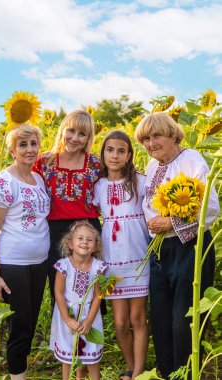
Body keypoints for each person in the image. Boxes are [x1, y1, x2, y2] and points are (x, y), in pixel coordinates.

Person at [134, 112, 220, 379]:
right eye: (145, 139)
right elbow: (149, 206)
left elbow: (211, 208)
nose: (150, 144)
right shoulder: (151, 166)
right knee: (159, 316)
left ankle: (186, 374)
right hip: (160, 250)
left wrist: (171, 223)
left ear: (172, 134)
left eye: (156, 136)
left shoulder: (191, 159)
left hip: (189, 247)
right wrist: (157, 225)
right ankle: (167, 372)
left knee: (183, 318)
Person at [0, 124, 50, 380]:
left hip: (39, 263)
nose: (30, 149)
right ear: (12, 150)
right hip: (14, 264)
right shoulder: (4, 182)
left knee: (30, 324)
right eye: (23, 145)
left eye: (33, 143)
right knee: (20, 328)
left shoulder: (38, 178)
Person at [93, 130, 150, 380]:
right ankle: (129, 365)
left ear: (129, 155)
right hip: (112, 257)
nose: (114, 155)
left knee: (137, 317)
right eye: (109, 150)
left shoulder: (141, 181)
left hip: (137, 255)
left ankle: (138, 372)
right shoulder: (98, 186)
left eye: (120, 151)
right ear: (103, 153)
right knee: (119, 322)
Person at [33, 110, 101, 303]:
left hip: (88, 230)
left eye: (82, 134)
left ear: (89, 138)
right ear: (62, 130)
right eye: (71, 131)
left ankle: (87, 331)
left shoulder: (96, 164)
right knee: (59, 289)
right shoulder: (44, 161)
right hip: (54, 232)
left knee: (88, 288)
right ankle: (61, 334)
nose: (74, 138)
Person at [49, 220, 107, 380]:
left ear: (95, 246)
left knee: (91, 353)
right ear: (70, 243)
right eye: (80, 238)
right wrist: (67, 319)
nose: (84, 242)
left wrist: (89, 321)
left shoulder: (98, 267)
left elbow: (98, 296)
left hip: (90, 315)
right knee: (68, 353)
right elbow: (58, 293)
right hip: (66, 316)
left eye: (89, 240)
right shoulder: (63, 266)